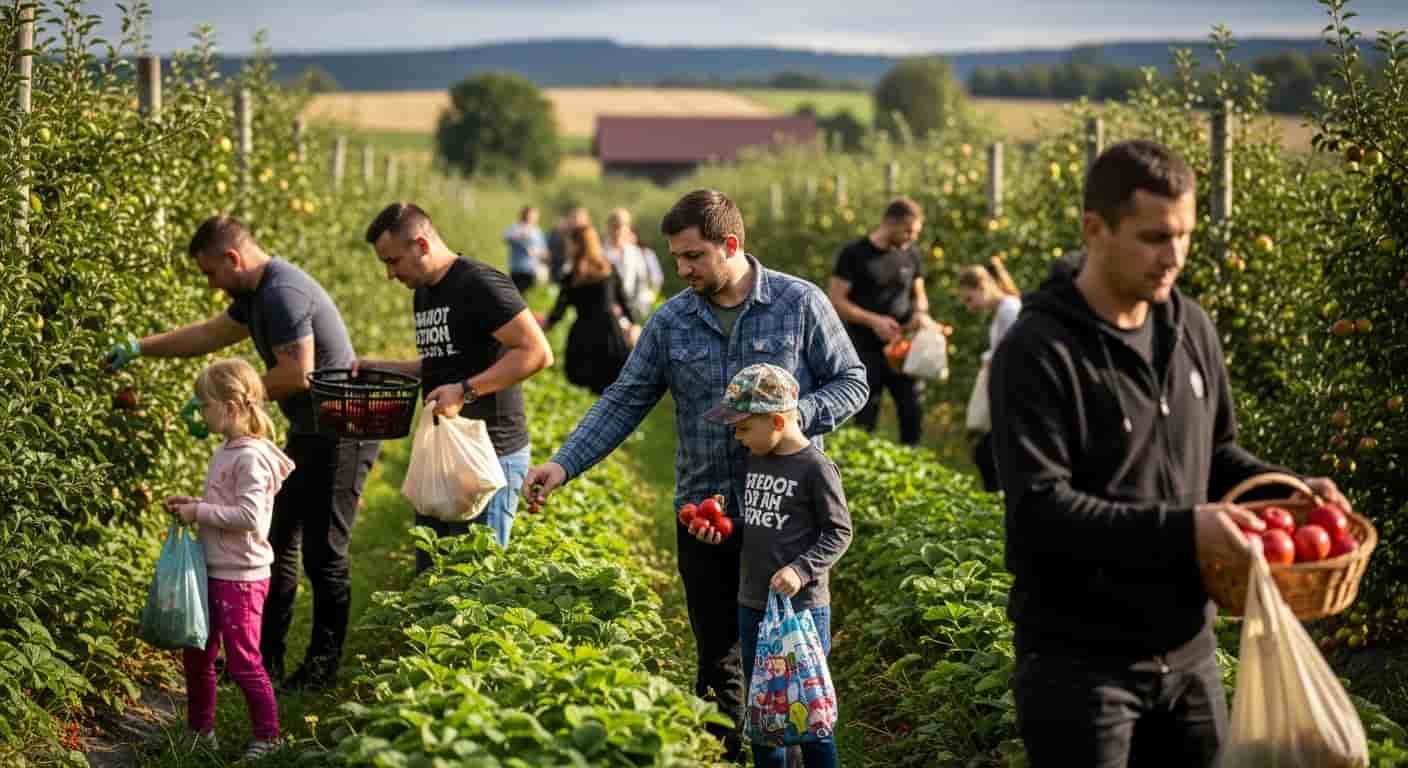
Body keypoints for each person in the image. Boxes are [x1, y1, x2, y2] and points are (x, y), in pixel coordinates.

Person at [989, 139, 1356, 767]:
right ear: (1094, 229)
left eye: (1184, 235)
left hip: (1189, 652)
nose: (1175, 256)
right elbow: (1039, 512)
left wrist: (1287, 489)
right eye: (1155, 237)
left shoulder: (1192, 329)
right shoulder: (1039, 351)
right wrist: (1187, 531)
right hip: (1080, 665)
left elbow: (1214, 456)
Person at [521, 189, 868, 759]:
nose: (680, 270)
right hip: (705, 513)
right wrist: (563, 464)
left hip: (785, 518)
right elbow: (624, 400)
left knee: (794, 656)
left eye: (692, 257)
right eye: (676, 258)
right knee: (717, 661)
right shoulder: (672, 321)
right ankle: (726, 755)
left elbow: (852, 381)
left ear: (730, 245)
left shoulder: (799, 304)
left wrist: (791, 420)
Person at [102, 215, 379, 691]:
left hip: (343, 431)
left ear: (233, 258)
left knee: (324, 552)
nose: (211, 285)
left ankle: (320, 671)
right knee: (278, 540)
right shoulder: (254, 296)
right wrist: (139, 348)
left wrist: (227, 405)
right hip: (311, 429)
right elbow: (208, 335)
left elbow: (297, 373)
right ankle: (262, 660)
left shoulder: (281, 292)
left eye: (211, 273)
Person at [357, 202, 553, 571]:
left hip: (489, 455)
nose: (389, 274)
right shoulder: (425, 293)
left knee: (475, 582)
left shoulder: (478, 283)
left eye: (393, 261)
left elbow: (537, 352)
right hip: (446, 453)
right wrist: (380, 368)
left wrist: (464, 391)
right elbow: (444, 364)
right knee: (433, 577)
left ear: (421, 244)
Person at [692, 363, 851, 768]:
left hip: (802, 611)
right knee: (764, 706)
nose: (738, 438)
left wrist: (801, 569)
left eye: (743, 428)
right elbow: (766, 522)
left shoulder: (816, 469)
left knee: (808, 708)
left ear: (777, 420)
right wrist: (728, 528)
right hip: (753, 603)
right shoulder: (758, 459)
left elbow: (838, 532)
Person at [166, 358, 293, 759]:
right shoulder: (227, 449)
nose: (200, 412)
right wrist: (196, 504)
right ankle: (201, 731)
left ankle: (269, 737)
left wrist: (200, 512)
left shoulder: (250, 458)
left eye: (204, 404)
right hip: (215, 567)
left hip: (241, 576)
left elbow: (251, 518)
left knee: (241, 660)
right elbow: (227, 504)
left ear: (232, 406)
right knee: (198, 655)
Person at [827, 197, 935, 446]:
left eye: (915, 232)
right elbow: (836, 300)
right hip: (864, 348)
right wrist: (874, 321)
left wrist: (920, 314)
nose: (912, 237)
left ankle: (913, 465)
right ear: (889, 223)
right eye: (908, 230)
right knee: (865, 412)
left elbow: (919, 295)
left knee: (912, 410)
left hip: (903, 349)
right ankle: (863, 463)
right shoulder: (854, 254)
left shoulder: (911, 254)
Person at [543, 224, 638, 395]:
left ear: (577, 245)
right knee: (611, 387)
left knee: (590, 388)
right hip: (609, 334)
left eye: (570, 243)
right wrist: (634, 324)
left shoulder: (572, 277)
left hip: (584, 336)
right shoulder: (609, 271)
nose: (568, 247)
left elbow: (559, 311)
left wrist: (545, 326)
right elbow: (624, 302)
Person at [957, 254, 1022, 492]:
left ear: (982, 287)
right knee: (986, 452)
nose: (969, 305)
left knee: (987, 453)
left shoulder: (1010, 309)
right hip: (1001, 389)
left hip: (1012, 392)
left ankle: (999, 502)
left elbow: (1015, 352)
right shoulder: (1001, 311)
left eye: (969, 298)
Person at [603, 207, 654, 319]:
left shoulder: (634, 253)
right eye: (615, 226)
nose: (618, 231)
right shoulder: (601, 253)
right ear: (608, 227)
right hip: (607, 312)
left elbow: (641, 281)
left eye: (621, 226)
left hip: (632, 310)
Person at [504, 205, 548, 294]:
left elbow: (544, 251)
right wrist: (520, 235)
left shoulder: (537, 231)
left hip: (531, 269)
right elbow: (506, 238)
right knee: (517, 294)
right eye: (532, 215)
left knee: (526, 294)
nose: (533, 218)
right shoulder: (516, 227)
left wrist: (536, 252)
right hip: (517, 268)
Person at [548, 205, 590, 286]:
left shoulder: (589, 237)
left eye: (577, 218)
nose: (575, 221)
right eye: (573, 218)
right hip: (561, 275)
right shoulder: (561, 235)